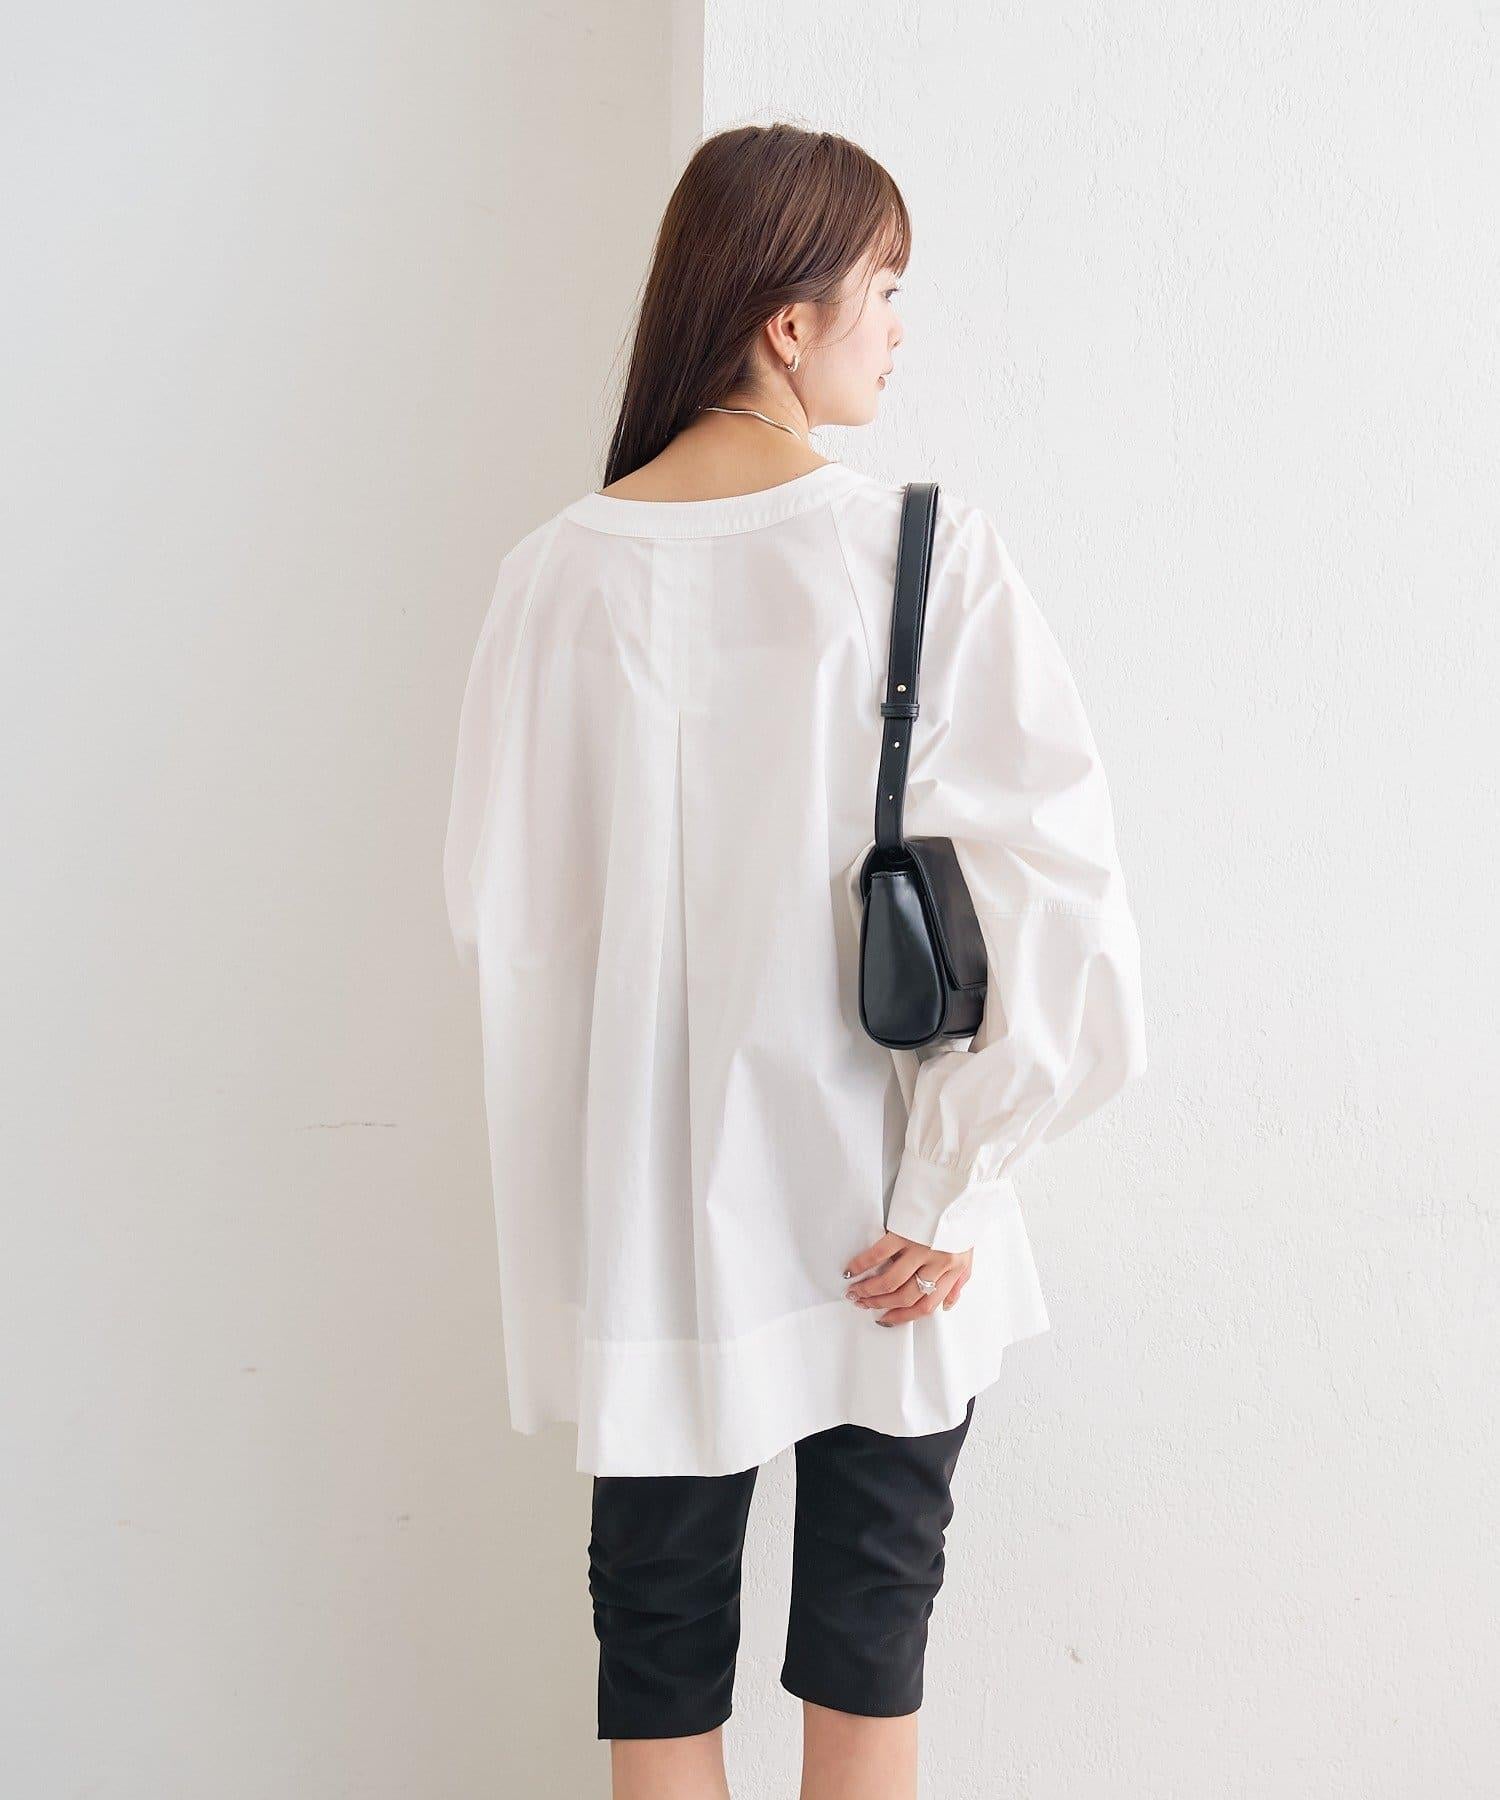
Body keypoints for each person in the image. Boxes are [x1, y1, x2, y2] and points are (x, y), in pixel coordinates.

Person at [442, 122, 1147, 1800]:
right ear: (787, 320)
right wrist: (954, 1180)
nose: (898, 328)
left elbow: (508, 928)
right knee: (868, 1651)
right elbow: (1066, 894)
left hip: (654, 1228)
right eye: (884, 289)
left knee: (656, 1669)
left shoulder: (549, 581)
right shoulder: (921, 550)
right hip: (887, 1216)